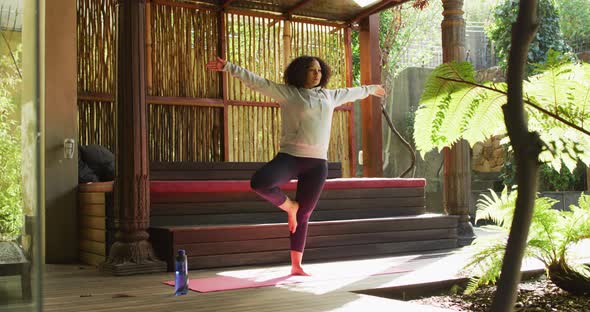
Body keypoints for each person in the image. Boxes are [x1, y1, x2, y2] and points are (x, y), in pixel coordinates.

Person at [206, 55, 385, 275]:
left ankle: (296, 266)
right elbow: (258, 82)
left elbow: (353, 92)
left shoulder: (330, 96)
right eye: (311, 70)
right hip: (290, 157)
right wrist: (229, 67)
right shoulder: (289, 93)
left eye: (319, 70)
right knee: (260, 182)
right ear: (301, 73)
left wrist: (371, 88)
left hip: (317, 163)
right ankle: (289, 206)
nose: (317, 74)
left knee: (304, 216)